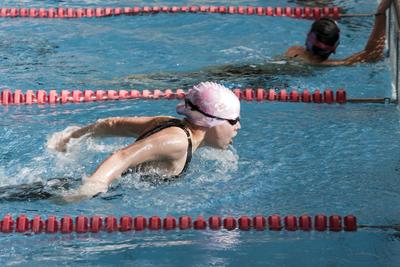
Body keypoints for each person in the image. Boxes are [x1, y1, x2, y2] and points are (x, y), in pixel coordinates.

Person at [49, 82, 241, 202]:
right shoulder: (177, 142)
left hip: (65, 185)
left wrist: (69, 138)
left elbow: (112, 124)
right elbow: (123, 156)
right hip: (87, 192)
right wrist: (92, 186)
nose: (238, 126)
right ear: (211, 121)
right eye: (233, 120)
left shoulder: (169, 123)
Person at [285, 0, 392, 65]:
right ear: (335, 47)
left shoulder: (294, 51)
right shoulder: (335, 64)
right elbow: (371, 54)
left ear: (308, 36)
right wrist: (381, 12)